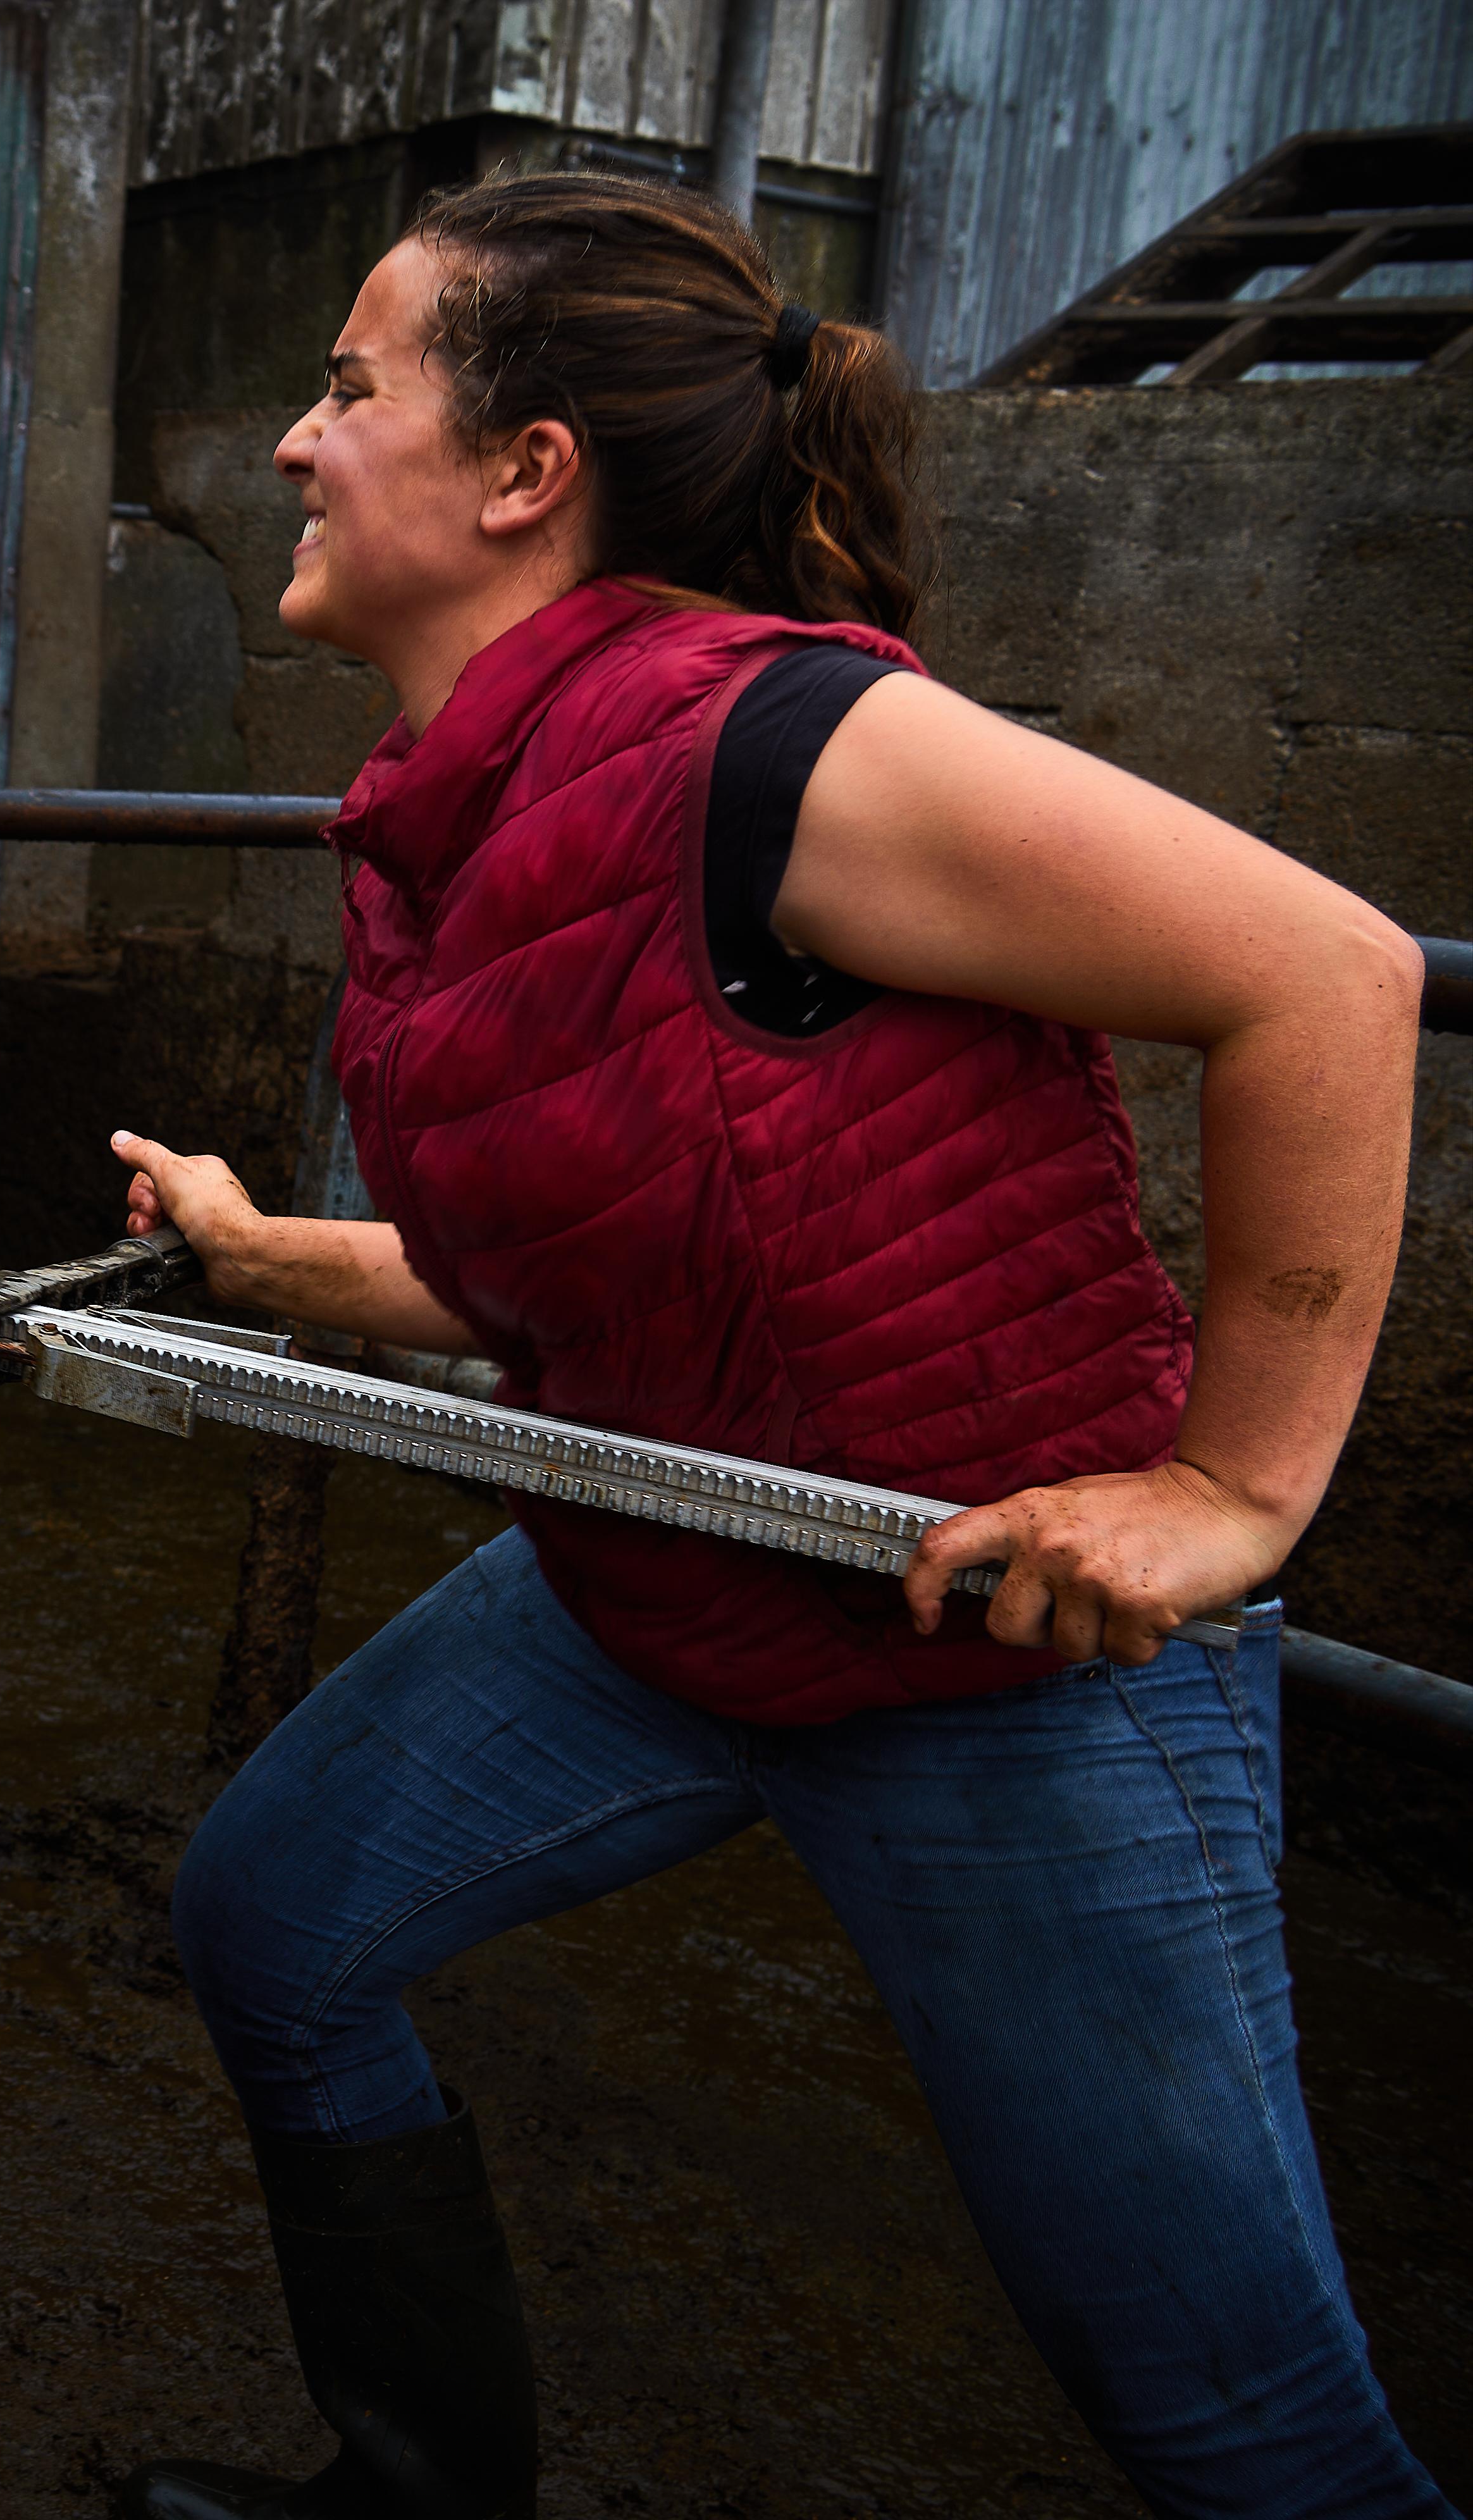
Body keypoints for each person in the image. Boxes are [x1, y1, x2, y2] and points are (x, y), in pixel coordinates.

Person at [104, 171, 1445, 2520]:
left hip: (1000, 1656)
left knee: (1232, 2423)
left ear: (526, 471)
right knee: (276, 1927)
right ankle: (417, 2491)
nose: (298, 444)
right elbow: (578, 1266)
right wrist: (264, 1257)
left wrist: (1233, 1492)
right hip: (667, 1578)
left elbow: (1324, 976)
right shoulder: (472, 798)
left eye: (348, 387)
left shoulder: (775, 745)